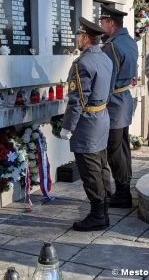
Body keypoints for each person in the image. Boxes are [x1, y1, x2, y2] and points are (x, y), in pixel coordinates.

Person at [60, 17, 113, 231]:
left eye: (78, 36)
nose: (77, 40)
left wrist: (67, 127)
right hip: (102, 118)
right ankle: (104, 207)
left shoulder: (82, 63)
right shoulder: (105, 58)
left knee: (90, 170)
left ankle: (98, 214)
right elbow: (108, 90)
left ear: (85, 37)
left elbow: (78, 99)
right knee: (101, 166)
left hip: (88, 124)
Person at [99, 4, 138, 208]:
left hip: (114, 103)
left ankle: (123, 194)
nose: (101, 25)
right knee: (122, 147)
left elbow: (108, 78)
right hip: (124, 100)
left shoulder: (112, 46)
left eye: (102, 22)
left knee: (113, 149)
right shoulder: (129, 41)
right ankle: (124, 189)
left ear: (111, 23)